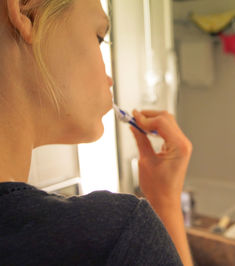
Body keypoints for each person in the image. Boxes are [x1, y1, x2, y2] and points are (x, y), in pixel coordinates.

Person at [0, 0, 193, 265]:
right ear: (26, 10)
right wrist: (166, 202)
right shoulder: (114, 235)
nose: (109, 78)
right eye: (99, 37)